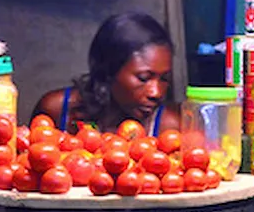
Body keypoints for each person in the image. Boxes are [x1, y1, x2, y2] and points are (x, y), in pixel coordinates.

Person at [33, 13, 180, 134]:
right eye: (143, 78)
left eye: (164, 79)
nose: (156, 92)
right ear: (109, 71)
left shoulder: (169, 128)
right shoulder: (55, 111)